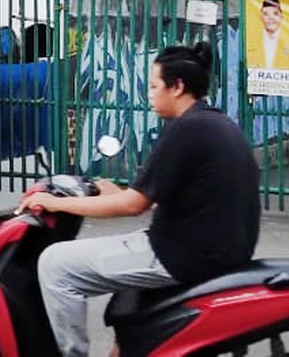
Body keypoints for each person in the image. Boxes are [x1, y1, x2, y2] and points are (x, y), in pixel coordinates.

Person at [23, 42, 260, 357]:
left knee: (55, 263)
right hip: (214, 250)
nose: (149, 93)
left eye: (153, 85)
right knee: (128, 308)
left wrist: (55, 203)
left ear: (177, 87)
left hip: (180, 254)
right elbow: (184, 197)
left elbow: (133, 206)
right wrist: (121, 194)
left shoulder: (186, 130)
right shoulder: (216, 124)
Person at [245, 0, 289, 71]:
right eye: (266, 14)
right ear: (260, 17)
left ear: (282, 17)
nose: (270, 18)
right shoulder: (251, 40)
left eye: (275, 13)